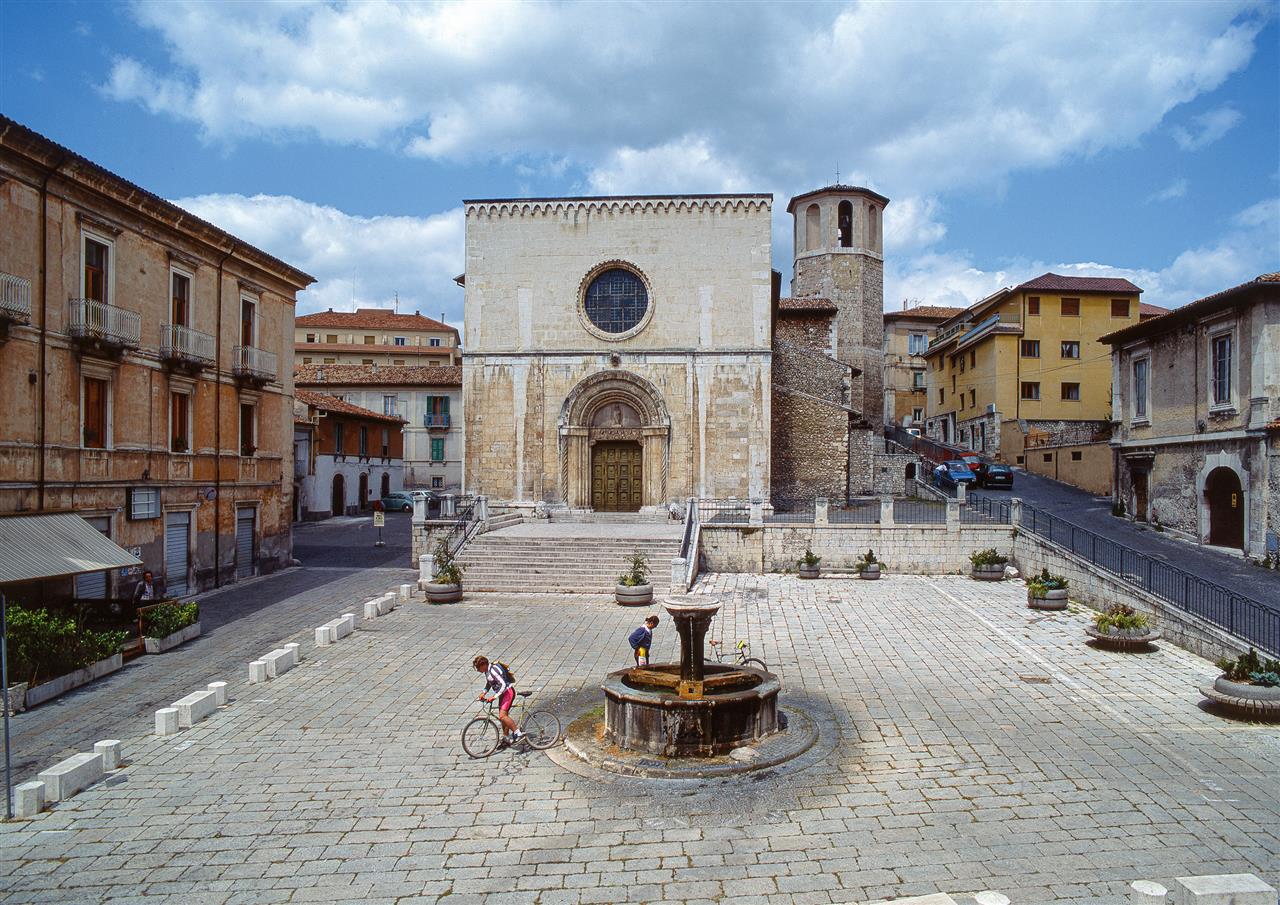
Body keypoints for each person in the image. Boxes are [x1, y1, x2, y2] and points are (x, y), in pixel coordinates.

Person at [473, 656, 524, 746]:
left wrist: (494, 697)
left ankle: (518, 733)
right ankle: (506, 738)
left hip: (508, 692)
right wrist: (483, 692)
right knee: (503, 717)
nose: (477, 670)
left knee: (502, 716)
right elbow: (489, 683)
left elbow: (503, 684)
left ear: (484, 665)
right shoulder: (487, 671)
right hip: (502, 694)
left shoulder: (493, 670)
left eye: (478, 667)